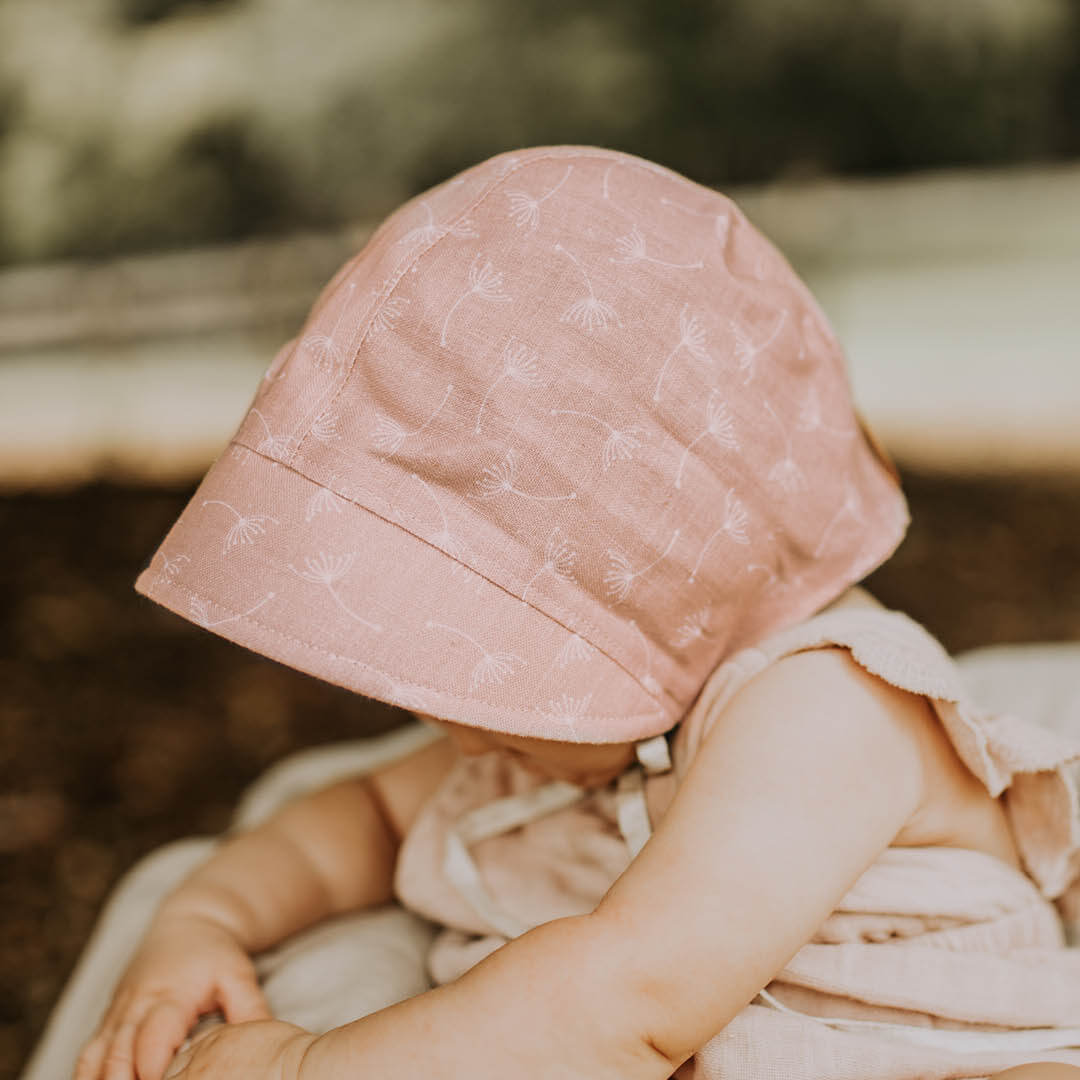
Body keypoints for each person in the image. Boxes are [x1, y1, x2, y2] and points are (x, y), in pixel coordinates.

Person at [46, 145, 1080, 1079]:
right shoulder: (547, 752)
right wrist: (203, 917)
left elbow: (627, 1005)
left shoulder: (826, 705)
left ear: (663, 586)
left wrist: (302, 1068)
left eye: (499, 655)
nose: (454, 718)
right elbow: (354, 818)